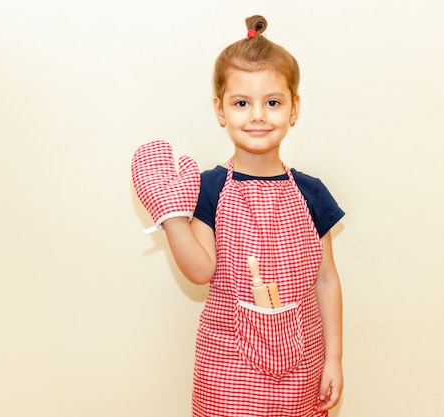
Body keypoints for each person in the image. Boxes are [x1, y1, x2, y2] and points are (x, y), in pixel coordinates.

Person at [131, 15, 344, 416]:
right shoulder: (208, 188)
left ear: (294, 109)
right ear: (220, 109)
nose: (258, 115)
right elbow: (200, 271)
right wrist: (172, 215)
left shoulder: (312, 192)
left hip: (303, 366)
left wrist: (334, 358)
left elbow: (327, 279)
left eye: (273, 102)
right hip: (228, 365)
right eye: (242, 103)